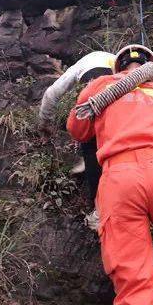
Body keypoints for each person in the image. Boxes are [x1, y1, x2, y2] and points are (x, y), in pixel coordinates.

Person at [67, 44, 153, 305]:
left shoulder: (100, 86)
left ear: (118, 66)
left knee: (134, 283)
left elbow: (78, 130)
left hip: (120, 178)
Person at [37, 50, 116, 226]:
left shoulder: (80, 65)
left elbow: (51, 94)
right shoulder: (119, 59)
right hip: (120, 95)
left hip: (90, 92)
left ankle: (98, 211)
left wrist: (44, 124)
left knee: (89, 142)